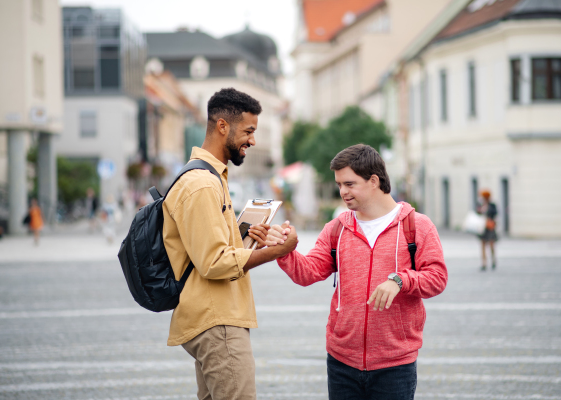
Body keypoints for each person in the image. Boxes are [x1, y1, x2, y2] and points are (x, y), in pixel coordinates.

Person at [267, 144, 448, 400]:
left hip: (395, 364)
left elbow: (437, 278)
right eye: (339, 184)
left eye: (349, 184)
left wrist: (400, 280)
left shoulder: (416, 225)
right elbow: (307, 273)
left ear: (374, 180)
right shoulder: (337, 228)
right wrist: (284, 250)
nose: (343, 192)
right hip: (342, 362)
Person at [162, 88, 298, 400]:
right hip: (217, 320)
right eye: (249, 131)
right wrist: (275, 252)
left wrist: (250, 240)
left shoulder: (211, 177)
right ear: (223, 126)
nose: (252, 140)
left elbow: (215, 249)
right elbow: (213, 262)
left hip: (213, 318)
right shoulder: (202, 184)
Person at [478, 189, 498, 271]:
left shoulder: (492, 205)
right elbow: (477, 213)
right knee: (483, 245)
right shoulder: (481, 204)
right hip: (483, 228)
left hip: (490, 227)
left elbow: (495, 213)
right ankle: (484, 263)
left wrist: (487, 209)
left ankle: (493, 260)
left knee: (491, 245)